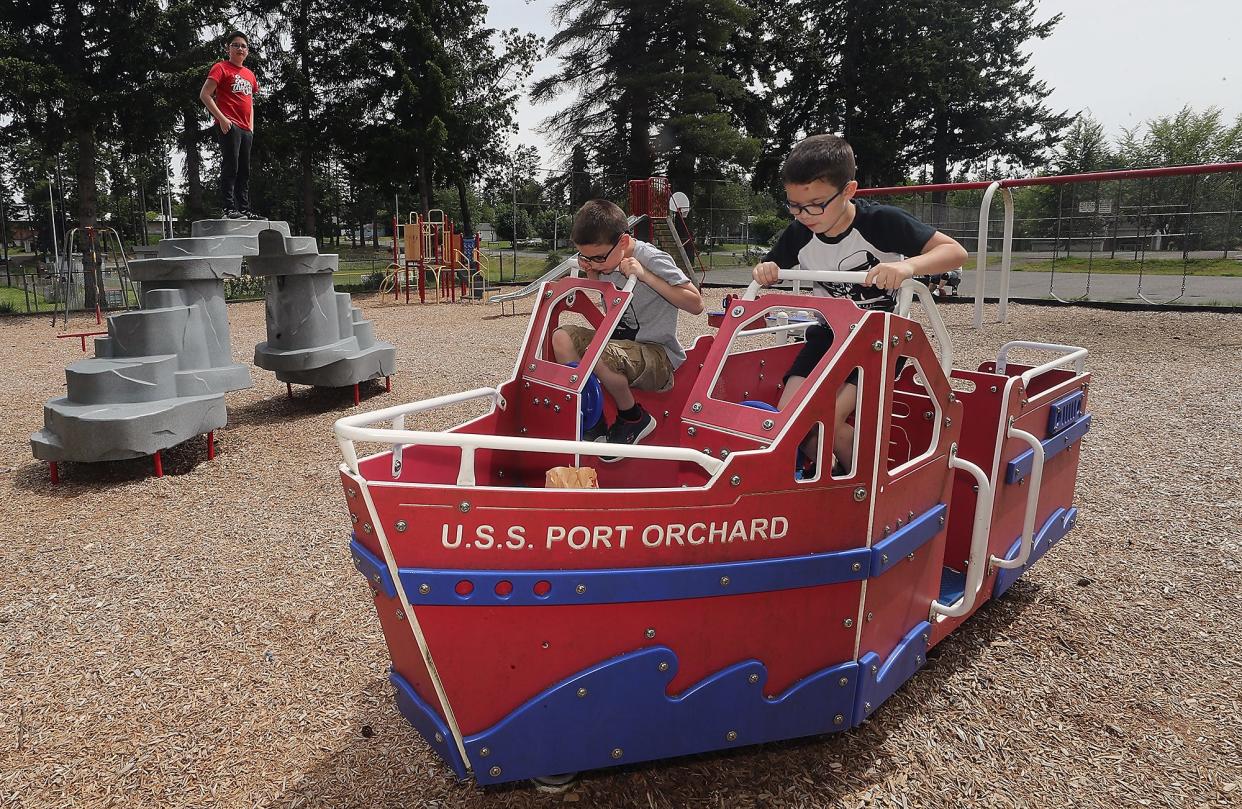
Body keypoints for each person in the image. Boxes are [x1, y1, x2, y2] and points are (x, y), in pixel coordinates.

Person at [752, 134, 968, 472]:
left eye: (816, 204)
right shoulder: (798, 233)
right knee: (788, 420)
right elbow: (771, 267)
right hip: (828, 336)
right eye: (794, 206)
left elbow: (955, 252)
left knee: (819, 420)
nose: (805, 214)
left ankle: (861, 485)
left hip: (878, 340)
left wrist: (906, 266)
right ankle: (842, 473)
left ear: (849, 191)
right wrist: (765, 270)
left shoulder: (880, 222)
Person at [551, 199, 704, 459]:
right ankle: (593, 419)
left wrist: (646, 275)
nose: (595, 263)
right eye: (586, 257)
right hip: (619, 348)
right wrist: (593, 273)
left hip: (657, 355)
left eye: (598, 257)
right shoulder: (605, 261)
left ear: (623, 242)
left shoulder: (651, 258)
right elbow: (606, 298)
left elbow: (696, 303)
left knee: (595, 352)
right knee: (561, 337)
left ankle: (632, 417)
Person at [199, 31, 259, 220]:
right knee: (230, 166)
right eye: (236, 45)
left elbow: (250, 101)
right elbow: (205, 95)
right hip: (229, 125)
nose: (240, 48)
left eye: (243, 46)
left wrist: (251, 126)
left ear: (247, 51)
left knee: (244, 170)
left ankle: (244, 208)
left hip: (246, 129)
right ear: (228, 48)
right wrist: (222, 119)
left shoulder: (250, 75)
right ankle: (228, 208)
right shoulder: (221, 68)